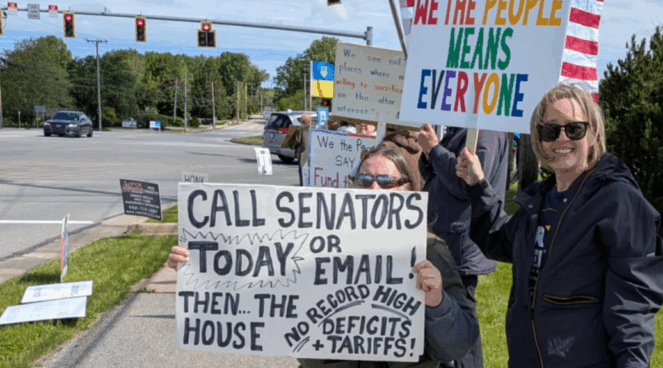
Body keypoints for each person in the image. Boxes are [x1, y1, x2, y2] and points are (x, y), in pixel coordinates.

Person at [167, 144, 480, 368]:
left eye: (386, 182)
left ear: (409, 190)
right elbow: (258, 278)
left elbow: (458, 345)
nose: (373, 191)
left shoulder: (430, 250)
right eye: (363, 181)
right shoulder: (310, 241)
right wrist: (203, 269)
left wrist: (438, 303)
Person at [455, 82, 663, 368]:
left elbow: (633, 304)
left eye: (574, 129)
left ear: (592, 131)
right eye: (550, 130)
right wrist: (477, 185)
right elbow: (498, 239)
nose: (561, 138)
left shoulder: (618, 200)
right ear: (539, 138)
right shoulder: (539, 200)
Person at [416, 124, 509, 368]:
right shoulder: (461, 125)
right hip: (448, 236)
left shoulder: (486, 129)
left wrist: (434, 149)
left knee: (463, 319)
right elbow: (438, 176)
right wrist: (429, 155)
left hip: (462, 243)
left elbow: (469, 182)